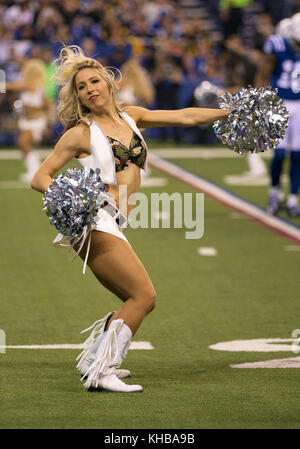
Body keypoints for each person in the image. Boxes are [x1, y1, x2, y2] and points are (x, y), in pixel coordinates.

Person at [31, 45, 230, 393]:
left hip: (115, 221)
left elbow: (185, 116)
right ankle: (104, 369)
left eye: (94, 81)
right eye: (81, 86)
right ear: (77, 96)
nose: (89, 88)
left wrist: (227, 112)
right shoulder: (80, 133)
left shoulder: (131, 116)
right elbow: (41, 177)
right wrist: (68, 198)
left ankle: (95, 357)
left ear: (108, 83)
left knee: (133, 298)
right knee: (144, 296)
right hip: (94, 219)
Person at [256, 13, 300, 217]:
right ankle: (274, 192)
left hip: (299, 104)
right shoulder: (278, 44)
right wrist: (259, 100)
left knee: (298, 155)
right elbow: (264, 72)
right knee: (280, 153)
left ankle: (293, 197)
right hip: (280, 102)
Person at [5, 58, 50, 183]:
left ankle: (35, 172)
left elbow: (11, 86)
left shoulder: (31, 84)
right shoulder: (34, 86)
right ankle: (34, 171)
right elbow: (45, 105)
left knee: (23, 143)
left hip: (35, 122)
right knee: (24, 145)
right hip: (26, 121)